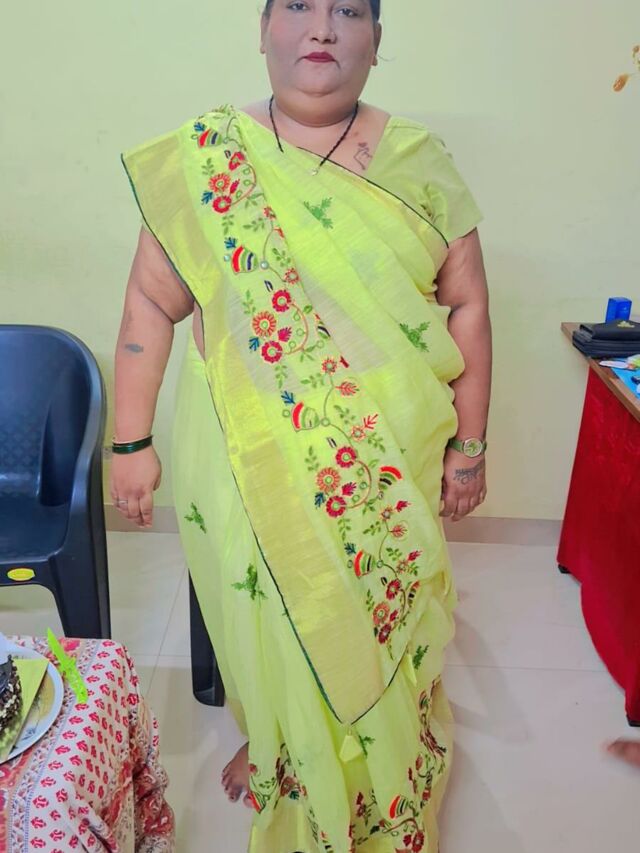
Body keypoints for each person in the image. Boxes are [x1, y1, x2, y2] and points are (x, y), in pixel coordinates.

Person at [111, 1, 492, 850]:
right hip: (248, 457)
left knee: (379, 610)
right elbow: (151, 300)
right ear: (263, 30)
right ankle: (281, 742)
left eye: (349, 10)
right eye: (298, 6)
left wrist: (469, 447)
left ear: (376, 42)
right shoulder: (209, 158)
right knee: (265, 609)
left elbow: (467, 303)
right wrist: (130, 442)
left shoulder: (419, 162)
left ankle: (384, 751)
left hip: (385, 461)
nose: (322, 28)